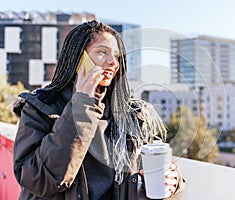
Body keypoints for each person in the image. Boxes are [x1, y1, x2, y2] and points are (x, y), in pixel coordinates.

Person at [12, 20, 185, 200]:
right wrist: (83, 105)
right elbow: (37, 178)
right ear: (78, 60)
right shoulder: (42, 107)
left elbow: (155, 157)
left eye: (117, 56)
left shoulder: (133, 114)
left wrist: (174, 178)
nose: (113, 62)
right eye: (102, 52)